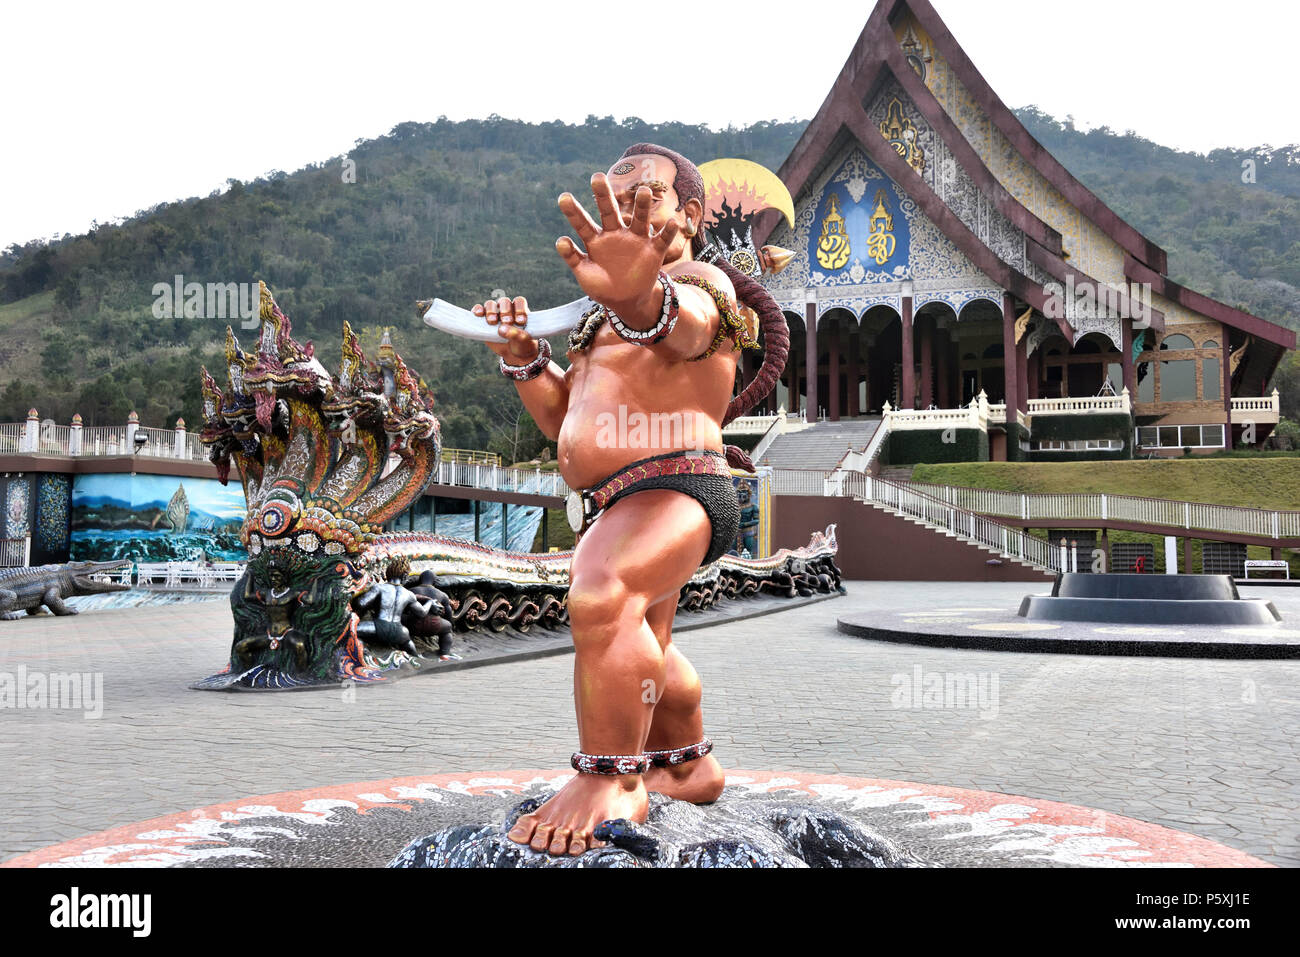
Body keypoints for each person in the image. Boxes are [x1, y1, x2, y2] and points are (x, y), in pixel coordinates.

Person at [473, 144, 784, 856]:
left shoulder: (705, 282)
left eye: (646, 196)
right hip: (621, 496)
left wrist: (640, 294)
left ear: (691, 214)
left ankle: (614, 778)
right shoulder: (595, 318)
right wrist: (523, 354)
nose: (629, 210)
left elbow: (689, 329)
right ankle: (684, 762)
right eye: (617, 200)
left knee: (603, 593)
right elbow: (563, 421)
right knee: (646, 634)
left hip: (680, 482)